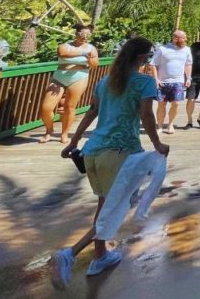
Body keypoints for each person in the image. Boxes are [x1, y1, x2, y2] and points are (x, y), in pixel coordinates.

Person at [51, 37, 169, 288]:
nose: (148, 62)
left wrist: (74, 143)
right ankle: (70, 254)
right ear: (141, 59)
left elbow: (92, 112)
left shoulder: (106, 81)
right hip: (119, 152)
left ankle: (101, 255)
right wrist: (158, 145)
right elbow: (147, 115)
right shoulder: (144, 82)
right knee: (112, 210)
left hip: (93, 152)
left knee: (106, 205)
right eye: (148, 57)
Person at [39, 24, 98, 144]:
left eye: (88, 35)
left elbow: (94, 65)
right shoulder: (65, 46)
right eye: (82, 34)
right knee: (46, 108)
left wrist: (90, 59)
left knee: (69, 107)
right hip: (59, 77)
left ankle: (64, 134)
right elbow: (62, 54)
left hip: (79, 77)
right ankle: (49, 130)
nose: (85, 37)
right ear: (76, 33)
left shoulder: (91, 48)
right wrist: (82, 54)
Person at [149, 30, 192, 134]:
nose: (186, 39)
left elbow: (188, 64)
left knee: (176, 103)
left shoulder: (187, 50)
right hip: (163, 82)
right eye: (183, 38)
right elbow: (153, 64)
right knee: (161, 104)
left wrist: (189, 77)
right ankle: (159, 126)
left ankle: (170, 125)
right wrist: (156, 79)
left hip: (178, 81)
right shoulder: (163, 49)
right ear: (176, 38)